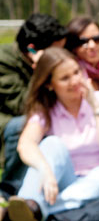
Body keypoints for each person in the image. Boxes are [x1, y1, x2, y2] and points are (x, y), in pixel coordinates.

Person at [7, 47, 99, 220]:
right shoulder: (46, 110)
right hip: (62, 179)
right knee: (52, 144)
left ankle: (34, 209)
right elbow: (25, 144)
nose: (75, 81)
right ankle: (30, 203)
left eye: (77, 72)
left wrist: (94, 105)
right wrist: (46, 171)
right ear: (49, 84)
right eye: (65, 78)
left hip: (97, 182)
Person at [0, 13, 67, 193]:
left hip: (37, 114)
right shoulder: (3, 61)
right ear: (32, 50)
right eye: (55, 52)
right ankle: (9, 187)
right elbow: (23, 105)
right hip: (8, 121)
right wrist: (41, 72)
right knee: (25, 125)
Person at [64, 17, 99, 92]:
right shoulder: (70, 81)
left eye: (97, 39)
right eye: (84, 41)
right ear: (72, 45)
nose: (92, 45)